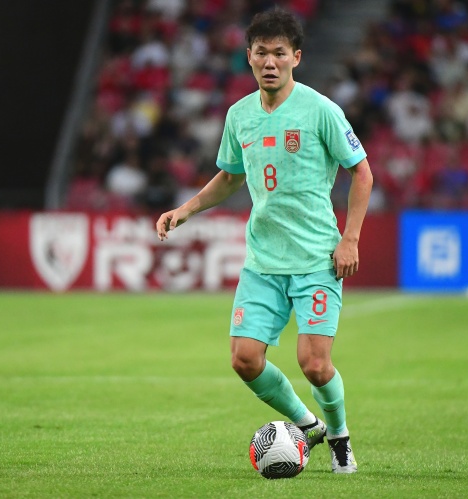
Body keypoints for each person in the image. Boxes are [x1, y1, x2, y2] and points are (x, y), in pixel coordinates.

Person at [155, 7, 373, 474]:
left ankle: (339, 436)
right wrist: (185, 210)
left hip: (316, 258)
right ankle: (308, 424)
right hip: (262, 262)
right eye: (260, 53)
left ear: (296, 57)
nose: (269, 61)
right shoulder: (239, 116)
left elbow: (362, 172)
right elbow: (230, 177)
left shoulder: (320, 110)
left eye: (279, 53)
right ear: (249, 57)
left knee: (315, 365)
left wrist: (350, 239)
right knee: (245, 359)